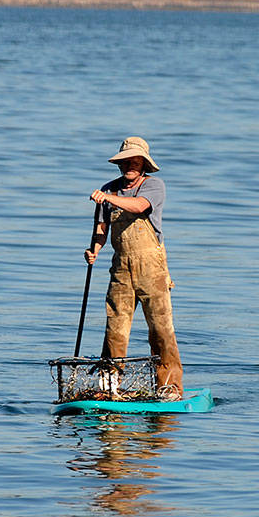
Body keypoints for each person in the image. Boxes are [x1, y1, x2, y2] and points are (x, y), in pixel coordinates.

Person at [84, 136, 183, 400]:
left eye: (135, 161)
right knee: (115, 328)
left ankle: (169, 388)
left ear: (143, 164)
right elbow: (101, 230)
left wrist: (107, 198)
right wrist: (94, 250)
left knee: (160, 329)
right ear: (120, 164)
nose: (130, 165)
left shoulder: (154, 186)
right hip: (120, 270)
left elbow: (139, 206)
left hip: (152, 269)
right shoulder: (110, 189)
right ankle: (110, 386)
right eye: (126, 161)